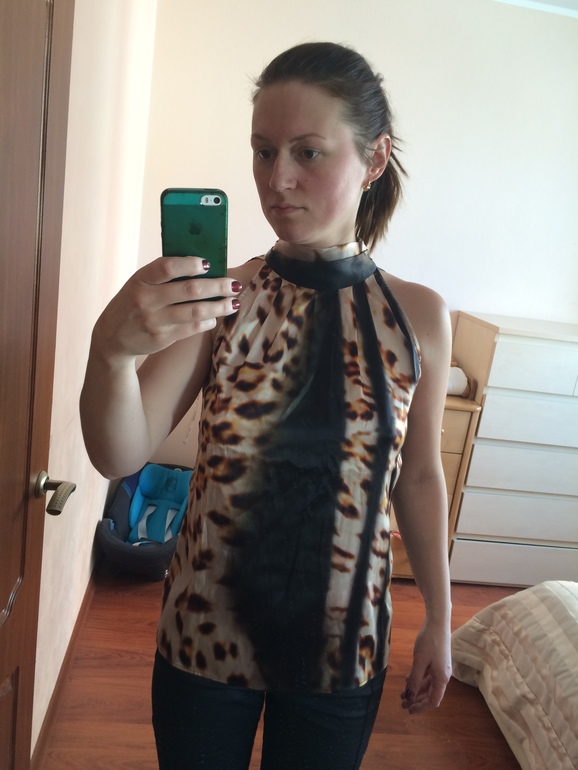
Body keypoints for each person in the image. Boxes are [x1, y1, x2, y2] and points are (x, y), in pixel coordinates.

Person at [80, 41, 453, 770]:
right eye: (262, 151)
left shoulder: (418, 317)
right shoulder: (224, 299)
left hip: (342, 647)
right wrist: (110, 354)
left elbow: (418, 476)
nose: (276, 179)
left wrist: (439, 619)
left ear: (374, 159)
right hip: (202, 636)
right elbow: (119, 453)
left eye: (308, 152)